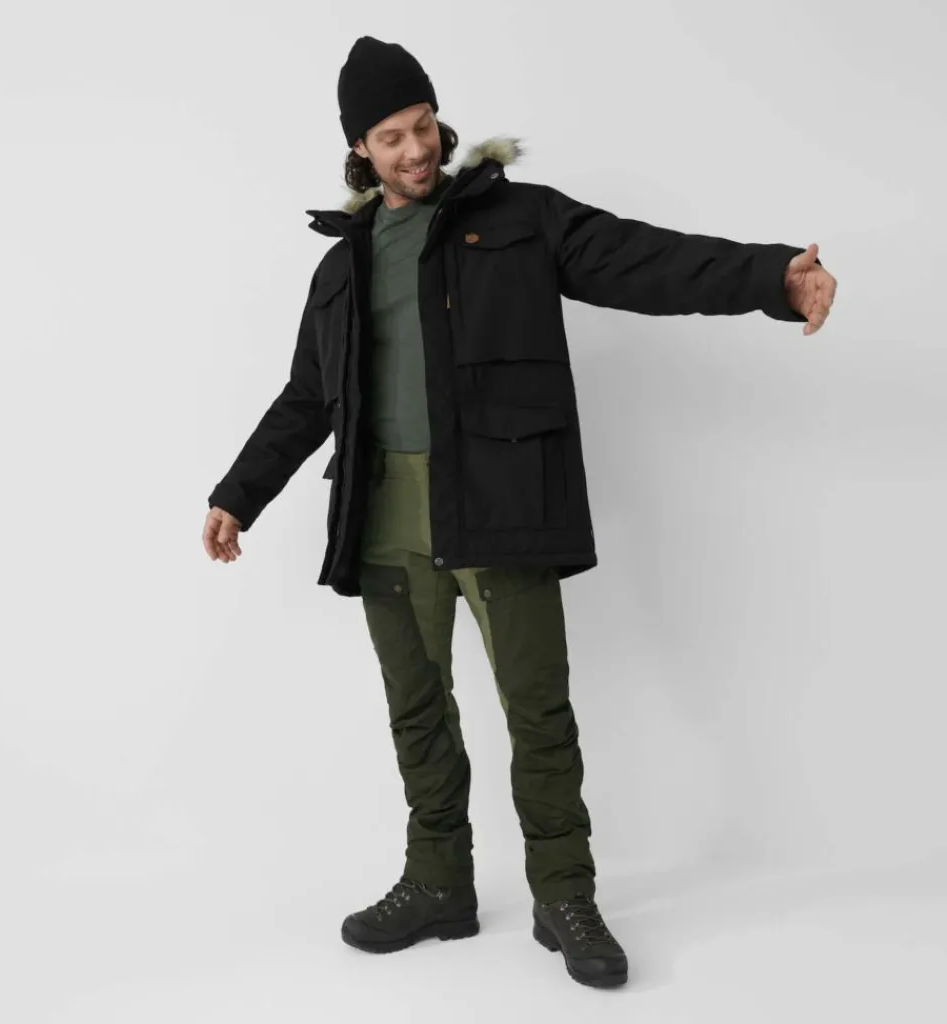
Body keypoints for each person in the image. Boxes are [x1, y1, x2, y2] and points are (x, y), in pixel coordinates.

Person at [202, 35, 837, 989]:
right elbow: (307, 396)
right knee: (417, 710)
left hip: (498, 502)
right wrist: (236, 494)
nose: (416, 149)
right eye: (391, 136)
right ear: (359, 150)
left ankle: (564, 894)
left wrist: (772, 278)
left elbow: (641, 260)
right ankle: (437, 883)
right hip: (382, 517)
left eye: (423, 126)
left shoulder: (518, 219)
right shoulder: (342, 265)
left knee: (538, 710)